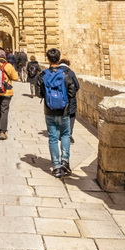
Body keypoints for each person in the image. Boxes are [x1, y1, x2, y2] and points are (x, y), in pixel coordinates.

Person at [40, 49, 79, 177]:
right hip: (64, 111)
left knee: (52, 138)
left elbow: (39, 93)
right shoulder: (66, 74)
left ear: (48, 59)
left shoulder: (43, 74)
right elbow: (72, 93)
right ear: (59, 58)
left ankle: (56, 166)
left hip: (49, 111)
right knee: (65, 135)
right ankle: (65, 162)